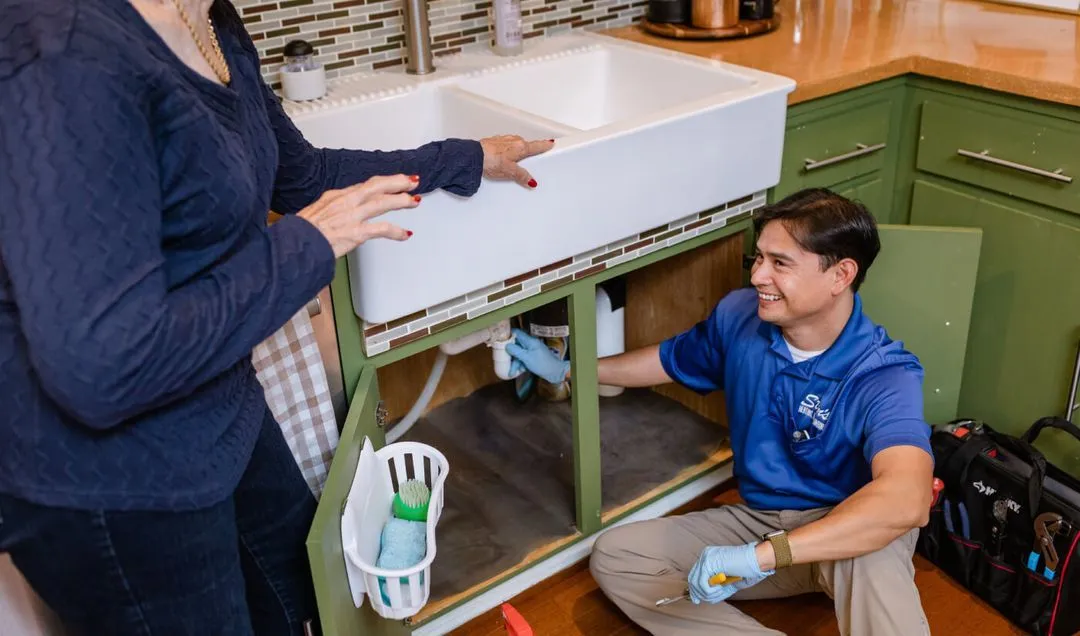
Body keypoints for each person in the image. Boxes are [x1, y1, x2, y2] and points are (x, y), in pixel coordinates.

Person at [0, 0, 552, 634]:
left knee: (304, 597)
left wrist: (465, 158)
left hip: (212, 399)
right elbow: (101, 366)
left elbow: (303, 176)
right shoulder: (64, 50)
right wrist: (307, 245)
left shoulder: (212, 22)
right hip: (116, 483)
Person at [506, 188, 935, 635]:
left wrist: (762, 557)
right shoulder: (741, 317)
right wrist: (568, 370)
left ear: (840, 274)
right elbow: (667, 361)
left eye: (780, 263)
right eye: (759, 258)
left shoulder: (884, 375)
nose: (758, 276)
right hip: (762, 522)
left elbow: (906, 499)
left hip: (845, 532)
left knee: (874, 547)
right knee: (617, 556)